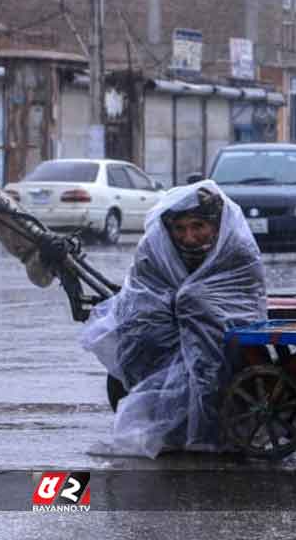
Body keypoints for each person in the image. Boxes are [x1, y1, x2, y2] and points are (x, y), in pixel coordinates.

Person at [80, 180, 266, 457]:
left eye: (198, 227)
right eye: (180, 229)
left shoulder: (236, 248)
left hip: (222, 329)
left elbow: (242, 295)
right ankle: (169, 420)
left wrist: (191, 302)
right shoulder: (155, 247)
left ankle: (207, 420)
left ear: (216, 226)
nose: (188, 237)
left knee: (205, 337)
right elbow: (141, 293)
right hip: (163, 327)